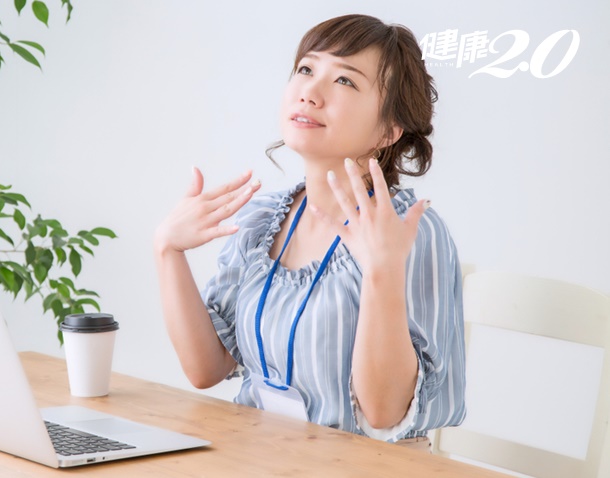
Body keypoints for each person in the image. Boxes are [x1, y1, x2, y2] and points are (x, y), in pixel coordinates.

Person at [153, 14, 466, 450]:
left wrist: (383, 271)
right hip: (259, 454)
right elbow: (206, 369)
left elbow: (385, 413)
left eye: (345, 81)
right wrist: (168, 250)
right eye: (305, 69)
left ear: (388, 130)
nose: (310, 92)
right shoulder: (263, 219)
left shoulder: (409, 232)